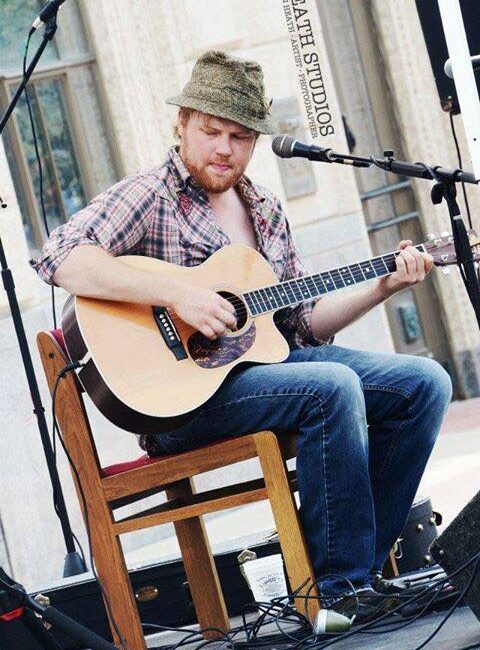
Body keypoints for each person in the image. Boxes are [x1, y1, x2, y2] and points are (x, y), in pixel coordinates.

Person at [33, 50, 452, 623]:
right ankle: (337, 590)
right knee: (329, 388)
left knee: (424, 382)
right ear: (181, 122)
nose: (224, 149)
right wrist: (175, 295)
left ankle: (360, 573)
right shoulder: (150, 195)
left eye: (240, 136)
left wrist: (381, 287)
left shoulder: (266, 211)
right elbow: (59, 256)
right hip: (180, 404)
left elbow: (299, 326)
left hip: (267, 379)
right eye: (211, 131)